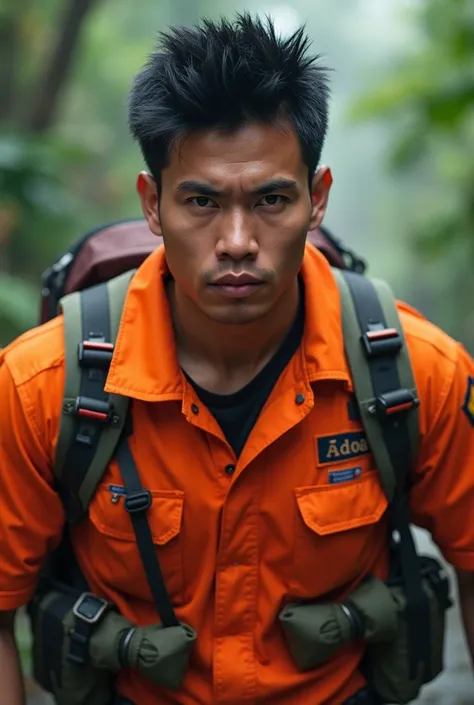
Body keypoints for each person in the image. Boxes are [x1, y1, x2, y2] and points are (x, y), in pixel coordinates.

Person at [0, 13, 473, 705]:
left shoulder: (416, 373)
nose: (237, 240)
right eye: (201, 200)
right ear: (151, 204)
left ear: (317, 199)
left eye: (272, 199)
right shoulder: (40, 388)